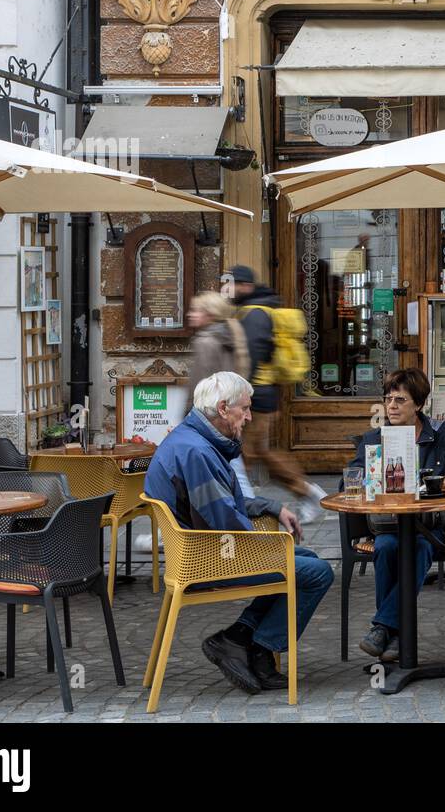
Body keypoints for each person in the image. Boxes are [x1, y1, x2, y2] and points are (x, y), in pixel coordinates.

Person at [144, 371, 334, 695]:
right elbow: (225, 522)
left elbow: (222, 502)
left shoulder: (192, 440)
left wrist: (272, 507)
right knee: (318, 572)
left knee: (305, 558)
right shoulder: (198, 453)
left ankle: (237, 638)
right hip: (210, 561)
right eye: (244, 409)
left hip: (200, 552)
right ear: (222, 408)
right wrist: (270, 546)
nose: (248, 417)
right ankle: (259, 648)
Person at [346, 367, 445, 662]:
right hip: (387, 526)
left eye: (400, 400)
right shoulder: (374, 438)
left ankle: (384, 628)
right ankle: (395, 635)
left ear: (419, 405)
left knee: (421, 545)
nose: (391, 406)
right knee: (387, 547)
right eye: (388, 399)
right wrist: (367, 479)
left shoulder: (443, 434)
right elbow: (348, 479)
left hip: (433, 526)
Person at [225, 265, 316, 498]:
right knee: (253, 452)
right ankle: (303, 492)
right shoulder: (253, 310)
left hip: (256, 393)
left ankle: (306, 492)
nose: (227, 289)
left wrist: (241, 393)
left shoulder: (254, 313)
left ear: (246, 286)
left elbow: (253, 354)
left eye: (231, 284)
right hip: (260, 392)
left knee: (250, 453)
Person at [183, 292, 249, 420]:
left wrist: (188, 412)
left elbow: (199, 383)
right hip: (228, 409)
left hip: (208, 413)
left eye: (196, 311)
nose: (190, 314)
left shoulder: (205, 342)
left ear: (210, 314)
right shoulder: (231, 335)